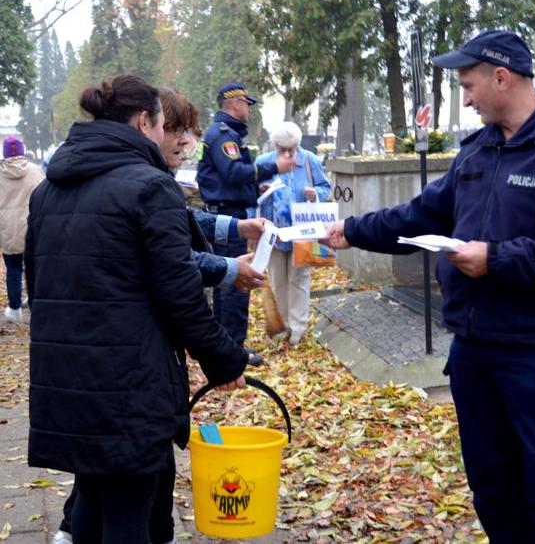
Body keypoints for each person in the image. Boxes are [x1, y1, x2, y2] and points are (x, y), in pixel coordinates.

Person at [325, 30, 535, 544]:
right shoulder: (477, 153)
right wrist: (351, 230)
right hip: (476, 357)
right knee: (495, 492)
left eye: (468, 84)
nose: (464, 97)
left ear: (501, 78)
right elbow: (420, 217)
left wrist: (496, 259)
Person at [26, 73, 248, 544]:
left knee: (89, 504)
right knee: (129, 517)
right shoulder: (149, 187)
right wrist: (224, 357)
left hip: (65, 381)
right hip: (127, 385)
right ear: (145, 121)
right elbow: (180, 291)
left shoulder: (47, 191)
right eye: (165, 124)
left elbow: (39, 284)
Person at [196, 82, 296, 364]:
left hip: (225, 212)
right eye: (247, 104)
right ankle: (234, 350)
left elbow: (225, 179)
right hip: (228, 218)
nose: (249, 110)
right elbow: (232, 172)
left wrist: (255, 191)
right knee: (235, 281)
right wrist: (275, 166)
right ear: (235, 104)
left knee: (223, 281)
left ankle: (224, 346)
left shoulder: (223, 134)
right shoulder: (224, 136)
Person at [255, 122, 330, 344]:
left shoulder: (309, 160)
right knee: (278, 279)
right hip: (273, 231)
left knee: (300, 278)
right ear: (275, 146)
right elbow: (249, 194)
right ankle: (282, 325)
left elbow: (325, 187)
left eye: (291, 149)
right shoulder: (263, 163)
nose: (287, 154)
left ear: (298, 145)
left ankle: (298, 327)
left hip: (302, 230)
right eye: (282, 149)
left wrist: (314, 193)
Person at [0, 135, 43, 322]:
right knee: (34, 269)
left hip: (8, 228)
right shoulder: (36, 171)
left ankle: (15, 308)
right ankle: (36, 305)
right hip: (32, 227)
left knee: (13, 268)